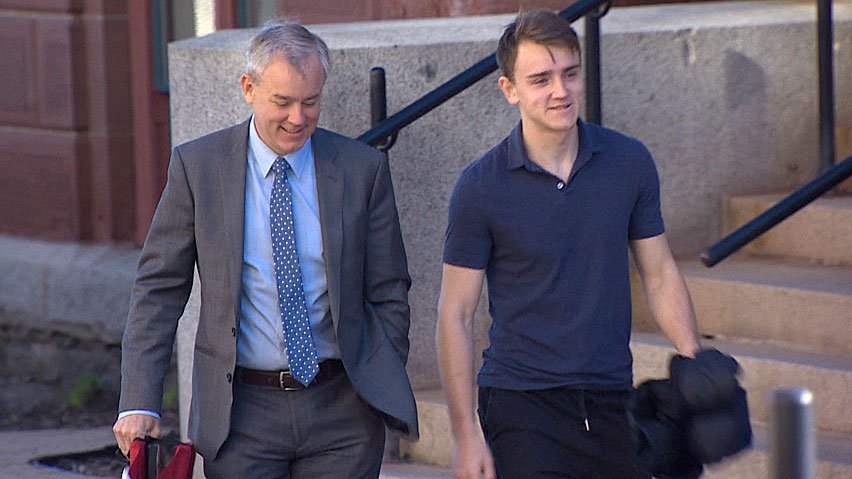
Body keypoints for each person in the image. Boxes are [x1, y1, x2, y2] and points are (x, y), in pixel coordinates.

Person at [113, 20, 418, 479]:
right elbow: (158, 289)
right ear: (248, 88)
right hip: (241, 414)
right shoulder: (198, 168)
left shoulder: (361, 170)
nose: (298, 118)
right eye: (283, 102)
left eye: (310, 102)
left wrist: (378, 373)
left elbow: (389, 285)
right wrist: (139, 399)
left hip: (342, 411)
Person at [436, 10, 702, 479]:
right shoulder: (480, 188)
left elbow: (659, 274)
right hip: (521, 404)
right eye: (540, 79)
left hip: (613, 398)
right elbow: (455, 314)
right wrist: (465, 435)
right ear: (509, 90)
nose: (560, 91)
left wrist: (694, 361)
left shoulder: (629, 162)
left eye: (570, 74)